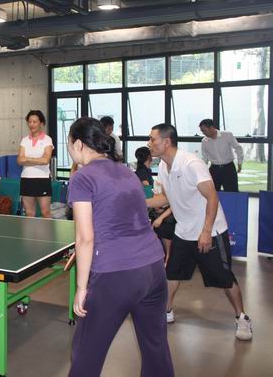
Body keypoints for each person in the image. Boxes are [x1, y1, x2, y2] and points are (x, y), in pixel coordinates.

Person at [67, 117, 172, 377]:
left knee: (86, 353)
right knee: (155, 347)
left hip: (115, 274)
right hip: (153, 268)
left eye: (69, 144)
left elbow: (85, 237)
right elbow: (126, 218)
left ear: (78, 144)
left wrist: (81, 288)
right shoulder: (126, 171)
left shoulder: (82, 177)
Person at [147, 123, 252, 340]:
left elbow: (212, 197)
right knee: (172, 273)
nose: (149, 144)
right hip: (183, 231)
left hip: (210, 231)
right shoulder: (164, 167)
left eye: (152, 139)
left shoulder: (191, 164)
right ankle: (166, 311)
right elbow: (165, 198)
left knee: (224, 278)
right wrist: (137, 201)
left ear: (166, 142)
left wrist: (206, 231)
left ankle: (242, 317)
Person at [135, 146, 175, 261]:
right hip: (149, 207)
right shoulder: (143, 174)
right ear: (149, 157)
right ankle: (168, 256)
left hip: (152, 205)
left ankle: (167, 255)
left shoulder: (144, 171)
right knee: (167, 222)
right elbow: (148, 195)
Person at [17, 110, 53, 218]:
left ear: (41, 123)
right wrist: (37, 159)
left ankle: (48, 230)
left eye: (34, 122)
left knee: (45, 213)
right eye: (29, 122)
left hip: (42, 179)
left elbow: (45, 160)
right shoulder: (24, 140)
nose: (31, 124)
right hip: (26, 179)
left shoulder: (47, 139)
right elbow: (19, 160)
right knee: (29, 213)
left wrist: (27, 159)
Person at [198, 119, 243, 192]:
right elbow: (205, 157)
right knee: (212, 192)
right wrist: (201, 169)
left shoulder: (227, 135)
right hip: (214, 169)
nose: (203, 133)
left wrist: (239, 163)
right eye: (202, 131)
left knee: (232, 192)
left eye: (204, 130)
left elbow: (238, 148)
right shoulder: (204, 141)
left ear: (211, 127)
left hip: (228, 168)